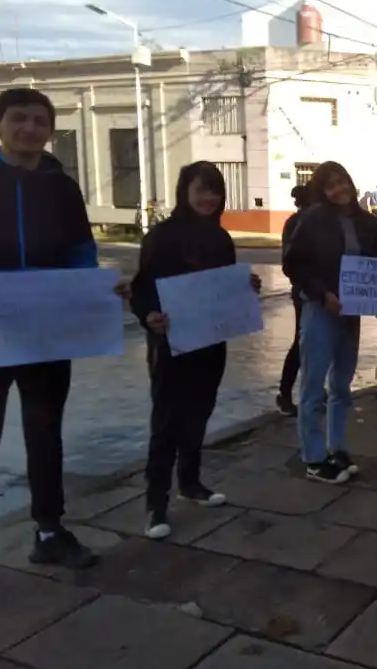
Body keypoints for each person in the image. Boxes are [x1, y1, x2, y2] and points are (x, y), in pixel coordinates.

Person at [0, 88, 129, 615]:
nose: (29, 128)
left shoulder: (61, 188)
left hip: (46, 338)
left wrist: (95, 290)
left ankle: (49, 531)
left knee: (46, 436)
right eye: (18, 118)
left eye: (39, 120)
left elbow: (80, 251)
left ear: (50, 128)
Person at [130, 162, 262, 540]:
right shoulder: (161, 236)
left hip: (210, 341)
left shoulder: (221, 239)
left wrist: (245, 286)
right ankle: (156, 504)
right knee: (166, 422)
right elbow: (142, 290)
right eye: (201, 189)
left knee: (199, 414)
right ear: (184, 192)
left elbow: (224, 288)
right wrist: (148, 315)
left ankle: (190, 482)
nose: (208, 198)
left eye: (215, 191)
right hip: (171, 344)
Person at [282, 161, 377, 483]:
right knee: (313, 386)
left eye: (342, 182)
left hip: (350, 313)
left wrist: (376, 295)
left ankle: (336, 447)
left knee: (341, 384)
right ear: (321, 191)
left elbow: (372, 264)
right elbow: (292, 264)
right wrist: (322, 293)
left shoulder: (363, 221)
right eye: (330, 185)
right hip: (320, 310)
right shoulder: (313, 220)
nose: (339, 189)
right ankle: (313, 459)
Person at [277, 184, 313, 416]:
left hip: (315, 291)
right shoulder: (299, 222)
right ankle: (285, 393)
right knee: (302, 342)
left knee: (311, 343)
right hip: (304, 292)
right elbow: (290, 262)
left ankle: (310, 390)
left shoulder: (313, 220)